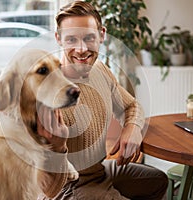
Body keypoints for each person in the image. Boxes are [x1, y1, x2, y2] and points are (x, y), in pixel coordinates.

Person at [37, 1, 168, 199]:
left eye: (89, 38)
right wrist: (56, 145)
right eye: (71, 39)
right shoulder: (46, 92)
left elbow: (131, 106)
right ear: (59, 39)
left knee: (157, 180)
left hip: (99, 172)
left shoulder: (99, 69)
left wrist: (131, 128)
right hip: (68, 186)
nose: (81, 49)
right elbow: (46, 185)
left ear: (102, 35)